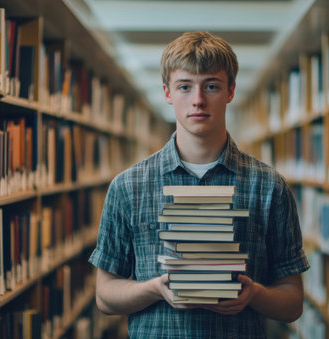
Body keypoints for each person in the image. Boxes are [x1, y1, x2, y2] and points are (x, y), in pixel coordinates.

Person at [88, 31, 310, 338]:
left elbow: (293, 302)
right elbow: (105, 296)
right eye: (184, 87)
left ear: (230, 91)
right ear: (167, 92)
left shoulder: (269, 187)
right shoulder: (128, 186)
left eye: (211, 86)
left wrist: (254, 294)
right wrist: (156, 288)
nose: (198, 100)